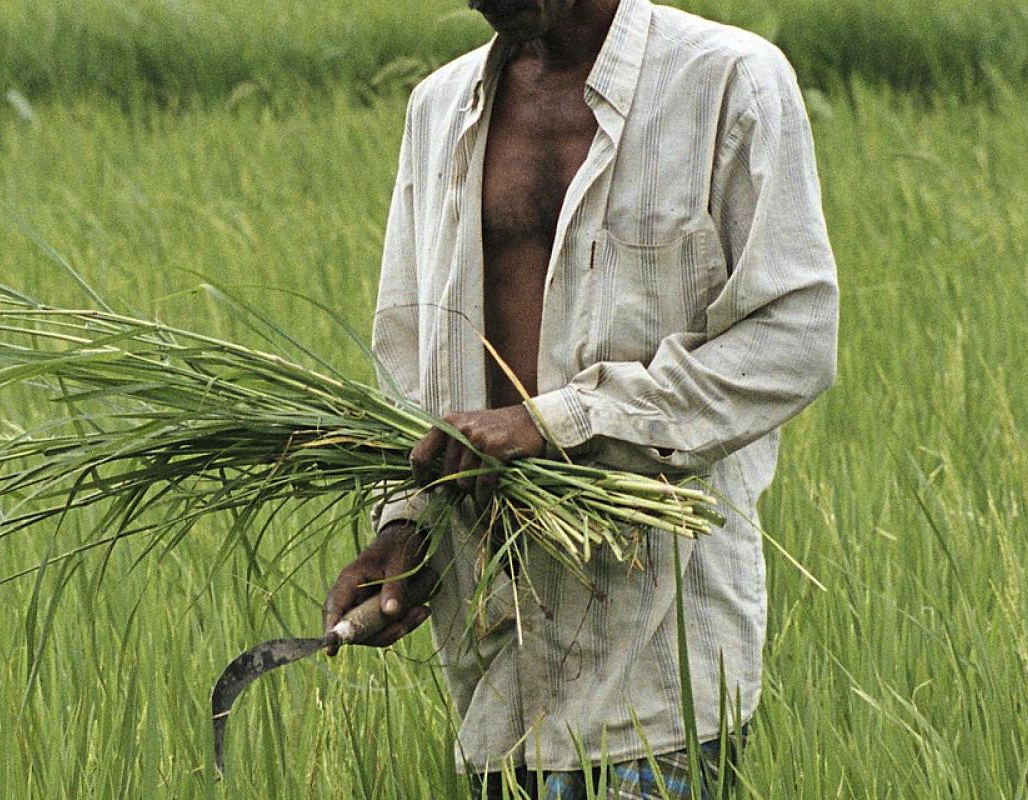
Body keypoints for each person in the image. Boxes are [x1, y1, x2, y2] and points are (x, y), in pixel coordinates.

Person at [322, 0, 839, 796]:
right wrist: (408, 523)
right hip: (496, 666)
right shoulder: (440, 110)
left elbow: (792, 338)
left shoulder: (726, 82)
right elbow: (410, 355)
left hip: (659, 661)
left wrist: (560, 421)